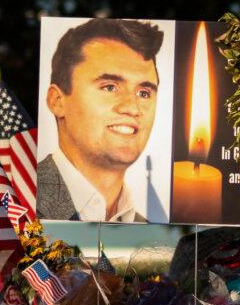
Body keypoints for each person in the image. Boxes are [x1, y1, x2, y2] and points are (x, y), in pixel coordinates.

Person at [37, 18, 164, 222]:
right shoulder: (17, 201)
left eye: (144, 93)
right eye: (110, 87)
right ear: (57, 100)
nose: (132, 107)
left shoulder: (153, 233)